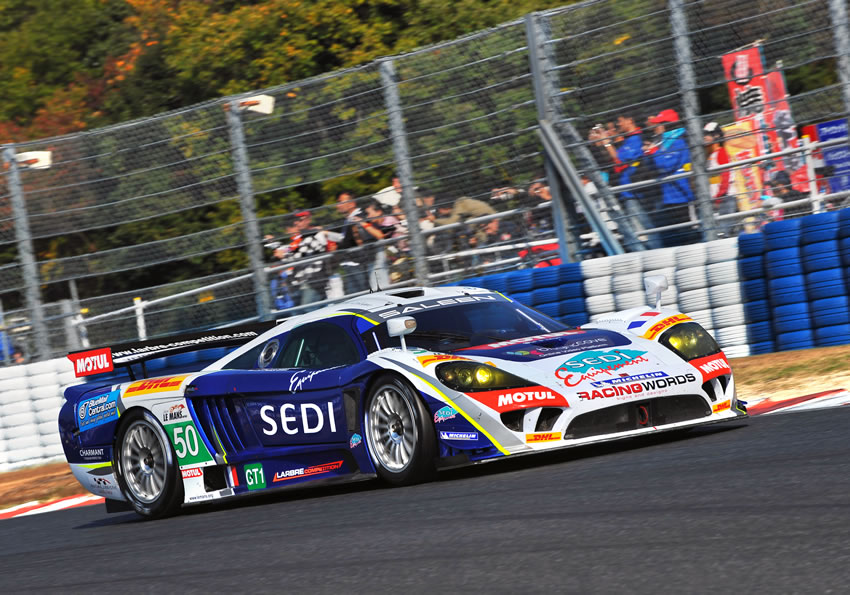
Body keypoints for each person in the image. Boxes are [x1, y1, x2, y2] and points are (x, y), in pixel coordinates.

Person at [589, 112, 660, 248]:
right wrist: (599, 144)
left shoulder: (636, 138)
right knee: (633, 230)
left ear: (630, 120)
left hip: (634, 192)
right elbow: (611, 160)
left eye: (620, 121)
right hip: (625, 192)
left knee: (644, 229)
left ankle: (655, 252)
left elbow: (619, 159)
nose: (618, 125)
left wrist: (606, 142)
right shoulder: (627, 140)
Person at [645, 108, 698, 246]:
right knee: (676, 234)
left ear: (667, 125)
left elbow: (666, 165)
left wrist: (654, 151)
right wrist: (648, 154)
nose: (655, 127)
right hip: (669, 197)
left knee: (689, 233)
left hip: (682, 196)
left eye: (658, 124)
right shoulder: (664, 143)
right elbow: (653, 168)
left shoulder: (678, 142)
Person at [286, 210, 333, 309]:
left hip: (315, 279)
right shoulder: (303, 237)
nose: (296, 223)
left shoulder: (315, 234)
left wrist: (285, 255)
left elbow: (296, 256)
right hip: (305, 281)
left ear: (308, 220)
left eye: (300, 220)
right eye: (296, 221)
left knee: (308, 308)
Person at [336, 191, 376, 293]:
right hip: (351, 264)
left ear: (352, 203)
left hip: (358, 264)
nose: (338, 205)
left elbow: (364, 239)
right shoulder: (348, 220)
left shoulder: (359, 217)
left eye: (341, 202)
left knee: (364, 294)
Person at [704, 122, 738, 237]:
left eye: (707, 134)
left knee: (723, 233)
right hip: (717, 199)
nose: (704, 137)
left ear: (716, 136)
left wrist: (719, 198)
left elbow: (726, 176)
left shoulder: (721, 152)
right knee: (719, 233)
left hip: (724, 198)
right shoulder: (711, 155)